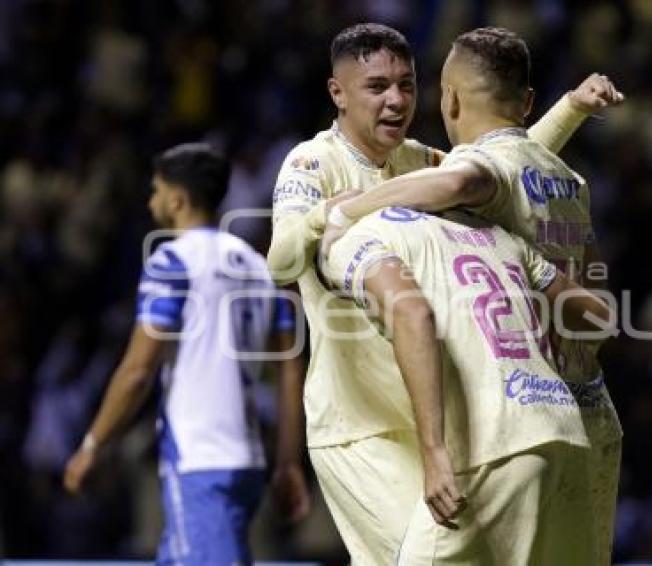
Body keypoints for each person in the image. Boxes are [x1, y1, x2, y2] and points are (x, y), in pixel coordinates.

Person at [266, 22, 623, 563]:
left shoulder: (416, 159)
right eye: (377, 87)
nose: (396, 100)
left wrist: (569, 111)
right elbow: (281, 258)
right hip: (360, 425)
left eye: (407, 85)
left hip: (425, 413)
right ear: (337, 93)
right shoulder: (311, 163)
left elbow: (500, 162)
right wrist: (328, 214)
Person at [320, 206, 612, 563]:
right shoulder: (502, 236)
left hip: (492, 446)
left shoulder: (363, 236)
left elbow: (413, 314)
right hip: (563, 430)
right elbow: (600, 318)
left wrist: (433, 450)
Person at [63, 143, 301, 564]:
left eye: (155, 190)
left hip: (200, 460)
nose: (150, 200)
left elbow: (137, 370)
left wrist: (92, 444)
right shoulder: (259, 266)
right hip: (248, 460)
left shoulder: (172, 262)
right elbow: (289, 373)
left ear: (176, 199)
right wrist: (287, 461)